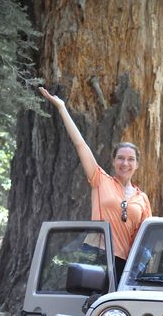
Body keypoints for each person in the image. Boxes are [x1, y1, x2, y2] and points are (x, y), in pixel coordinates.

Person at [39, 87, 152, 279]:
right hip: (96, 255)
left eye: (131, 159)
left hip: (125, 264)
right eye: (121, 158)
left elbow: (146, 239)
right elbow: (80, 144)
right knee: (91, 304)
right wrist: (62, 108)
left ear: (137, 164)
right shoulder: (100, 180)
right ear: (114, 161)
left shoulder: (142, 198)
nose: (125, 163)